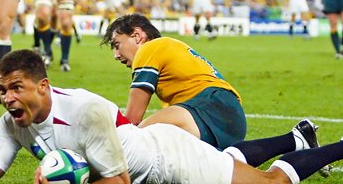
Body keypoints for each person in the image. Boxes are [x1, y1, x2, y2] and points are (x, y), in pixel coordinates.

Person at [0, 49, 343, 184]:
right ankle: (297, 137)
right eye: (2, 88)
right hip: (146, 161)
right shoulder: (11, 122)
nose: (6, 97)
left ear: (42, 86)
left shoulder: (86, 110)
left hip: (166, 158)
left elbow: (118, 183)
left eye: (15, 88)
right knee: (232, 163)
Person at [101, 13, 246, 149]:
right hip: (233, 120)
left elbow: (132, 119)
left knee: (134, 139)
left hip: (209, 107)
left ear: (137, 36)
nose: (116, 55)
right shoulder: (170, 50)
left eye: (117, 45)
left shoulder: (149, 49)